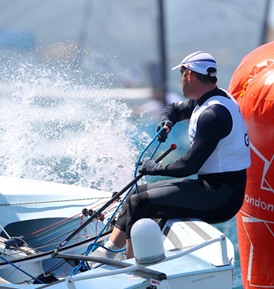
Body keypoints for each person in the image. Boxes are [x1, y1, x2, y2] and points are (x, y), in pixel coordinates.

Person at [92, 51, 251, 262]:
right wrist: (167, 122)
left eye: (182, 74)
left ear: (189, 75)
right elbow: (173, 108)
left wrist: (152, 168)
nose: (181, 79)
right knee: (136, 194)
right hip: (211, 186)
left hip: (221, 198)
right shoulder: (209, 98)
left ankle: (125, 263)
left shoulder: (213, 115)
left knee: (141, 202)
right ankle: (113, 252)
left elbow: (189, 166)